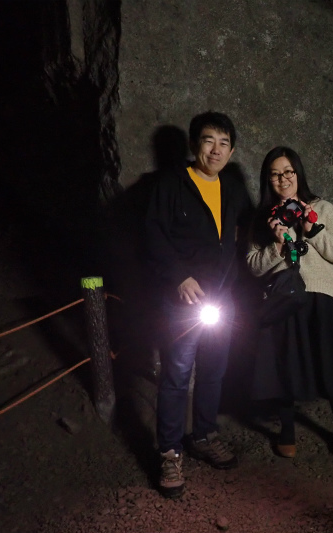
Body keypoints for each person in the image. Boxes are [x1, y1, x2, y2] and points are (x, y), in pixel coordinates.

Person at [145, 111, 251, 498]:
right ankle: (170, 452)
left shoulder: (233, 188)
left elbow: (249, 227)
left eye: (224, 143)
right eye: (209, 141)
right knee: (176, 375)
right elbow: (152, 234)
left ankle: (204, 435)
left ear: (232, 151)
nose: (216, 150)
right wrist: (178, 276)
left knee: (213, 371)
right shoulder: (171, 184)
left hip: (223, 297)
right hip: (184, 301)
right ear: (194, 145)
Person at [246, 146, 333, 458]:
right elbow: (253, 266)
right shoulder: (262, 218)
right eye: (275, 174)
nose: (282, 179)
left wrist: (312, 229)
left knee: (332, 362)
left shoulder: (322, 208)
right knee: (284, 363)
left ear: (298, 173)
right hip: (283, 297)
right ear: (267, 180)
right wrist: (278, 245)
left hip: (322, 295)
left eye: (288, 172)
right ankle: (287, 431)